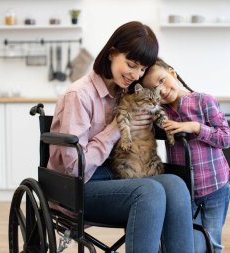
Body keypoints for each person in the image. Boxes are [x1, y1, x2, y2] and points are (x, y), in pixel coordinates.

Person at [47, 22, 194, 253]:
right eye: (131, 64)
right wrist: (115, 128)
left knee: (175, 184)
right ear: (112, 53)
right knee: (150, 192)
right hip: (77, 186)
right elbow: (73, 168)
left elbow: (156, 103)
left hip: (116, 176)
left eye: (142, 69)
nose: (135, 75)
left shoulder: (127, 92)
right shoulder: (79, 95)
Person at [141, 58, 230, 253]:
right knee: (191, 246)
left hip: (215, 188)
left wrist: (195, 127)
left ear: (172, 73)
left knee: (213, 243)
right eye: (153, 89)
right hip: (185, 192)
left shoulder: (203, 101)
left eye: (161, 80)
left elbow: (226, 138)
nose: (162, 90)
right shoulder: (160, 114)